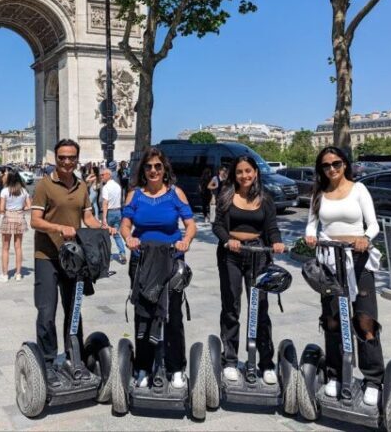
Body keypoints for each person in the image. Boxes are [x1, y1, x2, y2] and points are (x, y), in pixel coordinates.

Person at [305, 146, 384, 407]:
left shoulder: (359, 190)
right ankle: (336, 374)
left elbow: (373, 224)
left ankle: (372, 379)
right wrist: (310, 235)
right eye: (326, 166)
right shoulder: (319, 193)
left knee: (364, 320)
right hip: (329, 260)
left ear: (345, 164)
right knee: (332, 320)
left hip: (358, 259)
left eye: (336, 164)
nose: (331, 169)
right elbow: (311, 222)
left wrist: (364, 238)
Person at [119, 147, 197, 390]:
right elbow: (125, 225)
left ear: (165, 170)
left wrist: (187, 240)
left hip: (171, 259)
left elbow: (190, 224)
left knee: (172, 314)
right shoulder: (134, 195)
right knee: (144, 314)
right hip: (143, 260)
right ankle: (143, 365)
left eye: (158, 166)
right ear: (143, 170)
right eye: (149, 166)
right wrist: (128, 239)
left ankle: (175, 367)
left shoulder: (176, 194)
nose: (153, 170)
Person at [30, 139, 104, 386]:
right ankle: (49, 362)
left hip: (73, 258)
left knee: (74, 312)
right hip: (47, 257)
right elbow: (35, 221)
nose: (66, 162)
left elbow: (88, 216)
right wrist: (59, 228)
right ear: (56, 158)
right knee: (46, 312)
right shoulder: (44, 185)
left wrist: (102, 227)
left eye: (71, 157)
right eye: (62, 157)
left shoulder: (82, 186)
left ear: (77, 159)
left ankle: (75, 358)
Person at [212, 155, 285, 384]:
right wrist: (227, 240)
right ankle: (230, 360)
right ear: (235, 175)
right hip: (231, 254)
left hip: (258, 254)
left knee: (260, 308)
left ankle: (265, 362)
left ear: (255, 172)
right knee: (231, 306)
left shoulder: (265, 199)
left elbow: (271, 227)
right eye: (240, 172)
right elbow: (218, 226)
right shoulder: (226, 196)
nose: (244, 176)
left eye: (248, 171)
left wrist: (277, 242)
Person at [0, 170, 31, 282]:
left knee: (5, 248)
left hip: (8, 217)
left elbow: (2, 208)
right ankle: (18, 274)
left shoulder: (5, 191)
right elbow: (29, 206)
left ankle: (5, 274)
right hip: (20, 218)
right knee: (18, 247)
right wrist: (20, 209)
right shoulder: (24, 191)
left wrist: (5, 211)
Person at [101, 167, 127, 265]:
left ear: (108, 175)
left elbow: (105, 202)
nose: (101, 177)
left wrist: (104, 218)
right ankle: (122, 252)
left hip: (110, 213)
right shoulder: (117, 186)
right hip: (118, 211)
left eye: (103, 175)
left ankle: (108, 255)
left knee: (106, 235)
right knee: (116, 234)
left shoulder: (106, 187)